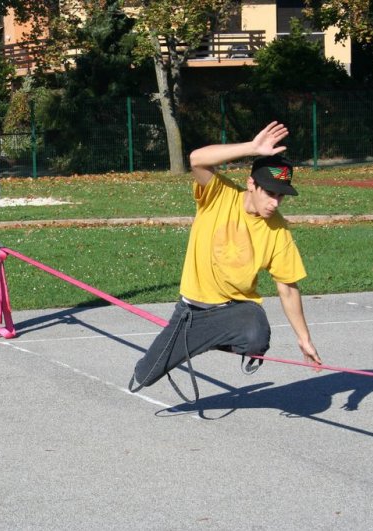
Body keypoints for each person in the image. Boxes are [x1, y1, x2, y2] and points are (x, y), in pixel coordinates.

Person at [130, 121, 322, 402]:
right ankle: (197, 338)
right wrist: (252, 148)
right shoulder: (219, 195)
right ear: (251, 184)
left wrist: (304, 338)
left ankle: (208, 337)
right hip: (191, 311)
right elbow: (197, 159)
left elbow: (288, 287)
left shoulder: (278, 229)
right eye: (270, 193)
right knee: (143, 376)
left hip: (234, 310)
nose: (275, 203)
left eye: (281, 196)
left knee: (257, 336)